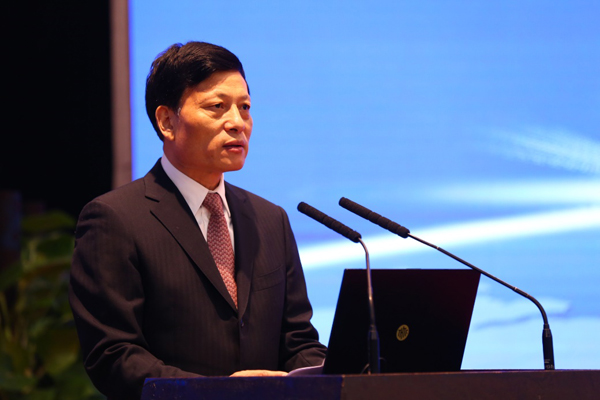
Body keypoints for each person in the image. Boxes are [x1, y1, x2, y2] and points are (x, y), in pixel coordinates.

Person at [69, 41, 326, 400]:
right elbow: (113, 356)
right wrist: (219, 393)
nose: (237, 123)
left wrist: (334, 374)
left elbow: (298, 342)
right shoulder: (115, 219)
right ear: (167, 121)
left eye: (245, 108)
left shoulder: (271, 220)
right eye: (217, 107)